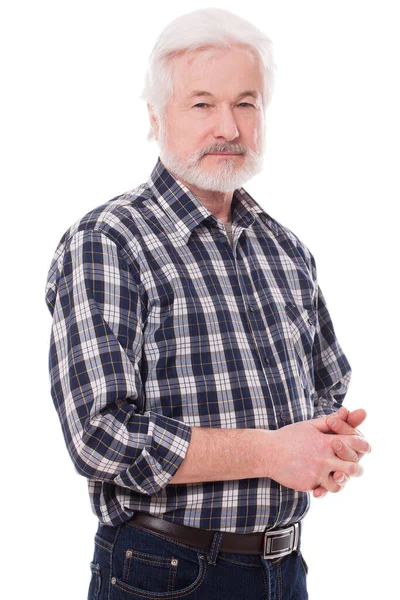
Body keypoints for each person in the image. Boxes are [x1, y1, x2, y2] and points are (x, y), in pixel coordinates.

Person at [45, 8, 371, 600]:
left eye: (246, 103)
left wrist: (327, 444)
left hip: (285, 568)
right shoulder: (109, 242)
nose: (228, 126)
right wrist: (272, 452)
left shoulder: (284, 247)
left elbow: (328, 385)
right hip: (165, 571)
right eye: (202, 104)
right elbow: (99, 436)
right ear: (155, 116)